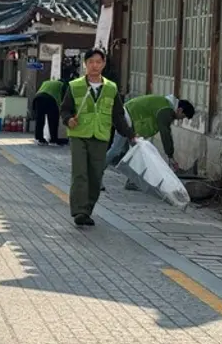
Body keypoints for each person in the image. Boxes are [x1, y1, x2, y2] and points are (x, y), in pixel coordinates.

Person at [60, 48, 134, 226]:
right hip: (79, 135)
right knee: (80, 173)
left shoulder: (111, 88)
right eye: (91, 62)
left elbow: (118, 114)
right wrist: (68, 120)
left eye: (98, 62)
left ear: (103, 64)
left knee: (95, 175)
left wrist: (130, 134)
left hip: (100, 136)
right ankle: (78, 211)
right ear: (85, 64)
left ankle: (87, 210)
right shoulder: (75, 86)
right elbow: (65, 109)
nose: (95, 65)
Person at [106, 94, 196, 190]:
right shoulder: (166, 110)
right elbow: (165, 133)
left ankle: (131, 181)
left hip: (130, 118)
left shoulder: (165, 105)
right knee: (116, 149)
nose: (180, 119)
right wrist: (170, 155)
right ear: (180, 110)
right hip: (128, 119)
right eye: (182, 117)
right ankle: (96, 174)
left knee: (136, 152)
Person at [33, 78, 69, 146]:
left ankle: (40, 139)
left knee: (40, 120)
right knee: (53, 120)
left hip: (37, 98)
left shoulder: (46, 82)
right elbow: (64, 97)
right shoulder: (62, 85)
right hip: (50, 99)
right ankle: (53, 140)